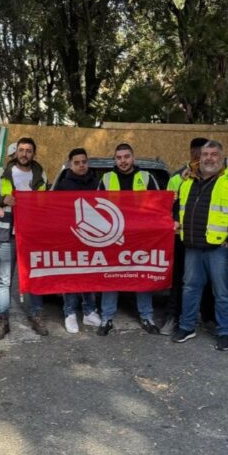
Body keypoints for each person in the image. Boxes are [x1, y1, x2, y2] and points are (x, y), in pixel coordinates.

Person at [171, 140, 228, 350]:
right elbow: (177, 207)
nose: (209, 158)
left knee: (223, 292)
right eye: (205, 154)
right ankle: (186, 326)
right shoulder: (187, 181)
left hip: (219, 248)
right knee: (190, 288)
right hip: (192, 246)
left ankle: (225, 331)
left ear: (222, 157)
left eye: (214, 154)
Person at [0, 137, 49, 339]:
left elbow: (47, 203)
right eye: (21, 150)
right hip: (7, 233)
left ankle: (36, 315)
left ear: (33, 154)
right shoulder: (0, 173)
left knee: (35, 276)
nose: (24, 154)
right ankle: (2, 319)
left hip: (32, 234)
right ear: (16, 152)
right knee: (4, 279)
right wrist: (3, 200)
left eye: (29, 151)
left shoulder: (41, 174)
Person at [97, 143, 161, 336]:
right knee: (112, 276)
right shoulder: (106, 179)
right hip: (114, 237)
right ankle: (106, 318)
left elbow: (158, 207)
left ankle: (146, 316)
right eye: (119, 157)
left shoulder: (147, 178)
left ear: (133, 158)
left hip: (141, 238)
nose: (123, 161)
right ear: (115, 160)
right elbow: (97, 207)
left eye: (126, 157)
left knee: (142, 276)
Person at [162, 137, 208, 335]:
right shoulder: (177, 177)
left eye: (203, 155)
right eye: (196, 155)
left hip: (208, 237)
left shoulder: (220, 177)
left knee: (210, 281)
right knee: (180, 280)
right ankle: (173, 316)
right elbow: (166, 208)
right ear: (190, 154)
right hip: (181, 238)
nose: (200, 159)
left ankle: (208, 318)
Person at [53, 148, 102, 333]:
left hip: (93, 238)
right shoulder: (63, 186)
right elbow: (55, 213)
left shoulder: (97, 183)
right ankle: (70, 312)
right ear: (71, 164)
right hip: (70, 238)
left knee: (90, 274)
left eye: (84, 161)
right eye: (77, 162)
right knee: (70, 275)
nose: (81, 165)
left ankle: (89, 312)